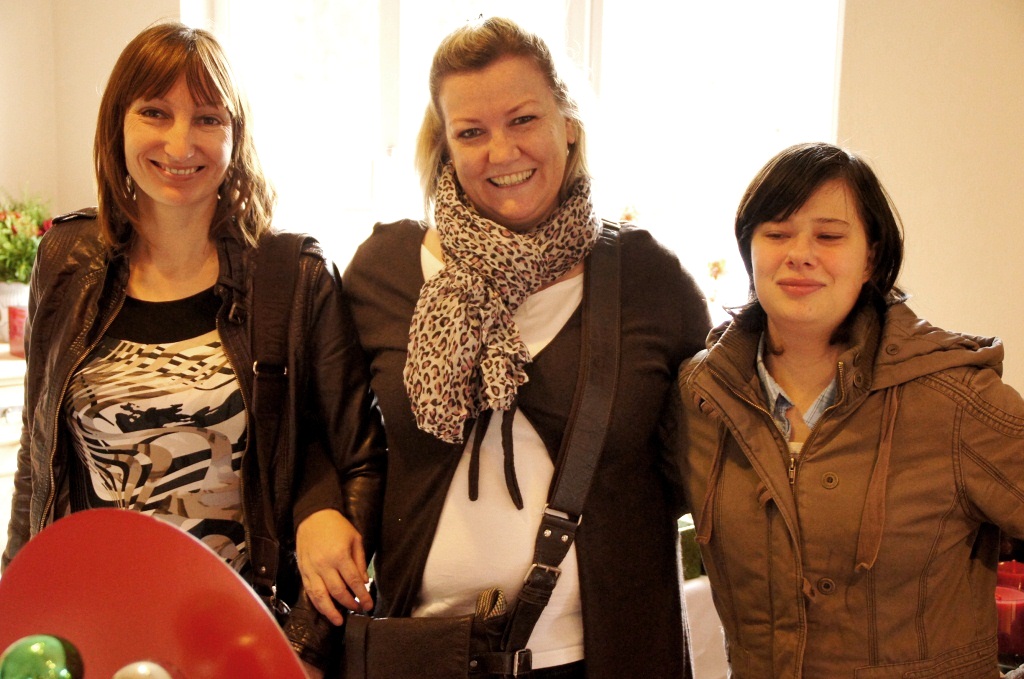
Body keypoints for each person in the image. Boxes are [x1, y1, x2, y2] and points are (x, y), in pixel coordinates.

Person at [294, 15, 711, 679]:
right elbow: (325, 425)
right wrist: (315, 507)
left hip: (602, 656)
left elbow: (708, 455)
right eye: (471, 132)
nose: (501, 151)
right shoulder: (385, 270)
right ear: (444, 147)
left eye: (523, 119)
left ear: (567, 124)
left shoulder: (647, 280)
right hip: (421, 653)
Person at [1, 22, 381, 677]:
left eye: (208, 118)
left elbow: (360, 462)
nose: (181, 143)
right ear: (117, 124)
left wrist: (303, 649)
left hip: (241, 643)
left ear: (236, 135)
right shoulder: (65, 260)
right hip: (98, 630)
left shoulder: (293, 275)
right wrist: (16, 610)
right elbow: (38, 466)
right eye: (155, 112)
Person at [673, 141, 1024, 677]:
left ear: (872, 258)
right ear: (749, 249)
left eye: (829, 236)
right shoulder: (702, 396)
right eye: (776, 233)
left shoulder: (953, 398)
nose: (799, 253)